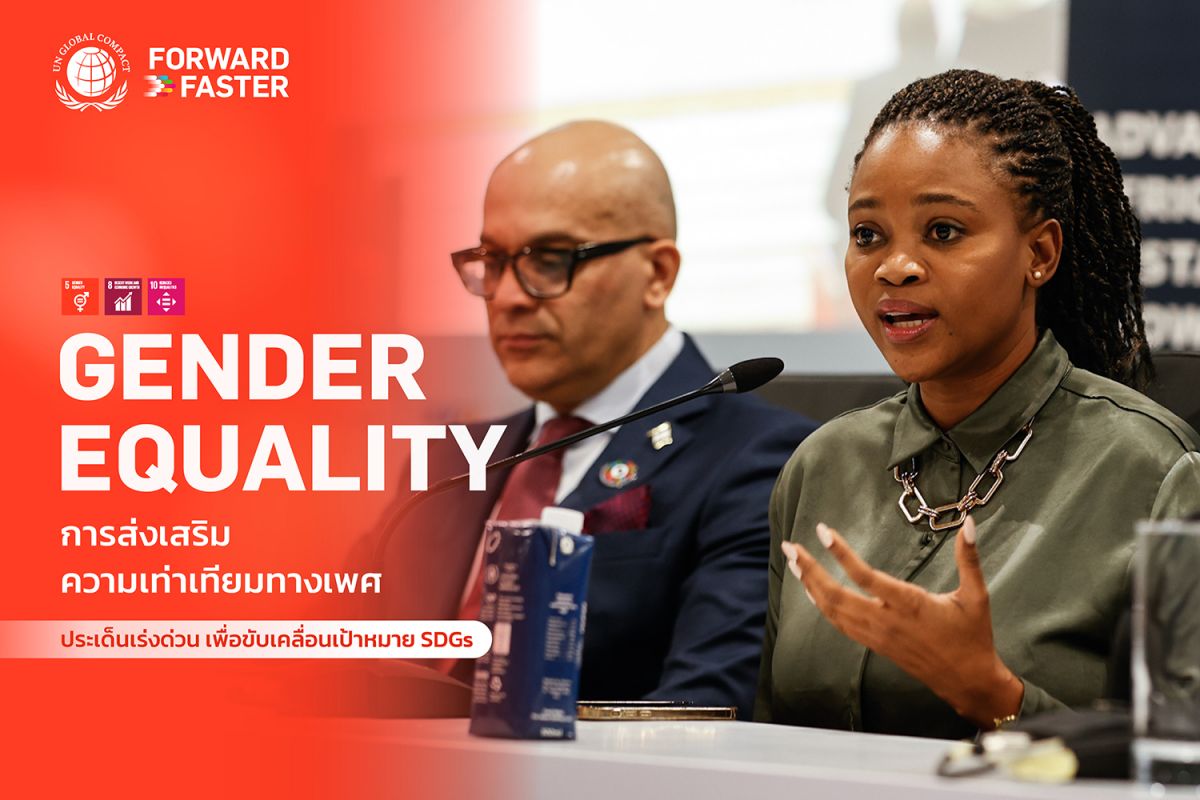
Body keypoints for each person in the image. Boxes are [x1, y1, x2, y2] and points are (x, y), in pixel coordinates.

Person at [755, 69, 1200, 739]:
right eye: (868, 235)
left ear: (1039, 253)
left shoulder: (1153, 472)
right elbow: (768, 738)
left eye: (942, 231)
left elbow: (1182, 753)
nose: (894, 267)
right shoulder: (822, 465)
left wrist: (995, 695)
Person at [375, 120, 815, 719]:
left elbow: (700, 715)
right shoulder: (447, 461)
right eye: (493, 261)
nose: (508, 297)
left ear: (657, 274)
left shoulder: (761, 459)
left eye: (550, 260)